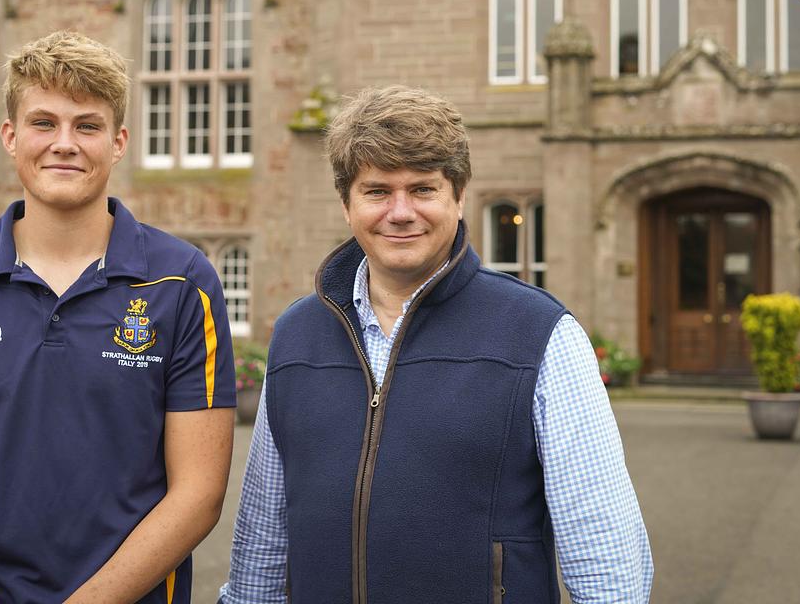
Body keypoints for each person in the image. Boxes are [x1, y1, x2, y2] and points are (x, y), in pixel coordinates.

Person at [220, 85, 653, 603]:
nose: (400, 212)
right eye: (377, 191)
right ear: (346, 203)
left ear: (458, 195)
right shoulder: (297, 335)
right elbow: (264, 532)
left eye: (422, 189)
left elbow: (603, 547)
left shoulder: (540, 334)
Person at [0, 31, 235, 604]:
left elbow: (198, 494)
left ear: (119, 141)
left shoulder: (182, 282)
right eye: (44, 123)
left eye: (88, 125)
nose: (64, 143)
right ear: (10, 135)